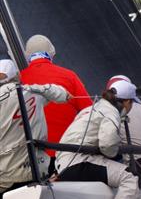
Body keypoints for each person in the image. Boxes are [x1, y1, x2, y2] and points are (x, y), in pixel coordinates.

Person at [0, 59, 70, 199]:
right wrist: (38, 87)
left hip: (5, 175)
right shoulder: (32, 92)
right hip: (36, 170)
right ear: (17, 77)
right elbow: (63, 95)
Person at [19, 34, 92, 171]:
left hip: (31, 158)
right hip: (67, 152)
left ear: (28, 56)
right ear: (51, 53)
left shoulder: (18, 80)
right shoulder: (69, 76)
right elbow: (89, 112)